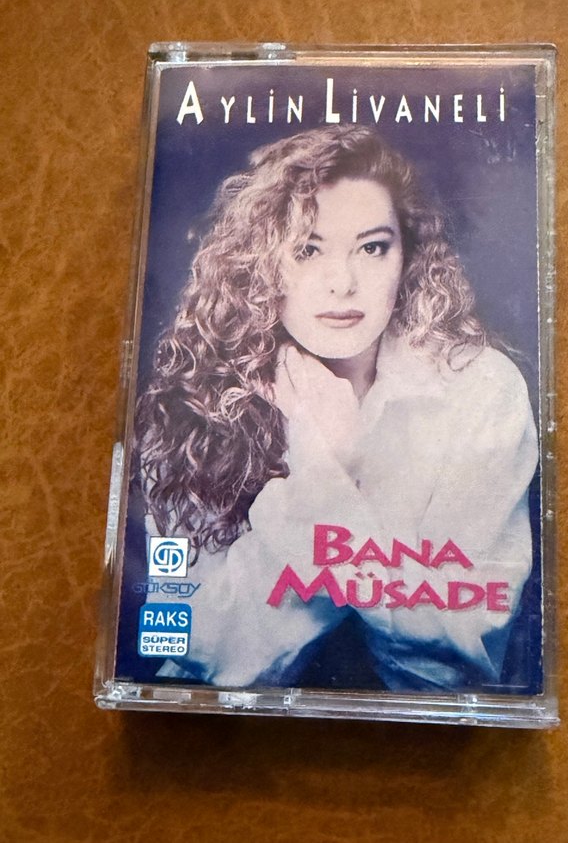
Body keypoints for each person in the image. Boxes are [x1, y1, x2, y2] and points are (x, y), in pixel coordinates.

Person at [135, 125, 538, 692]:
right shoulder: (194, 401)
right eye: (307, 249)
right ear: (259, 261)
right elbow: (218, 656)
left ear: (408, 256)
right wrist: (332, 472)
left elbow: (447, 668)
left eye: (372, 248)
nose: (343, 283)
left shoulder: (479, 388)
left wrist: (328, 483)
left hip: (421, 739)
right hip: (237, 738)